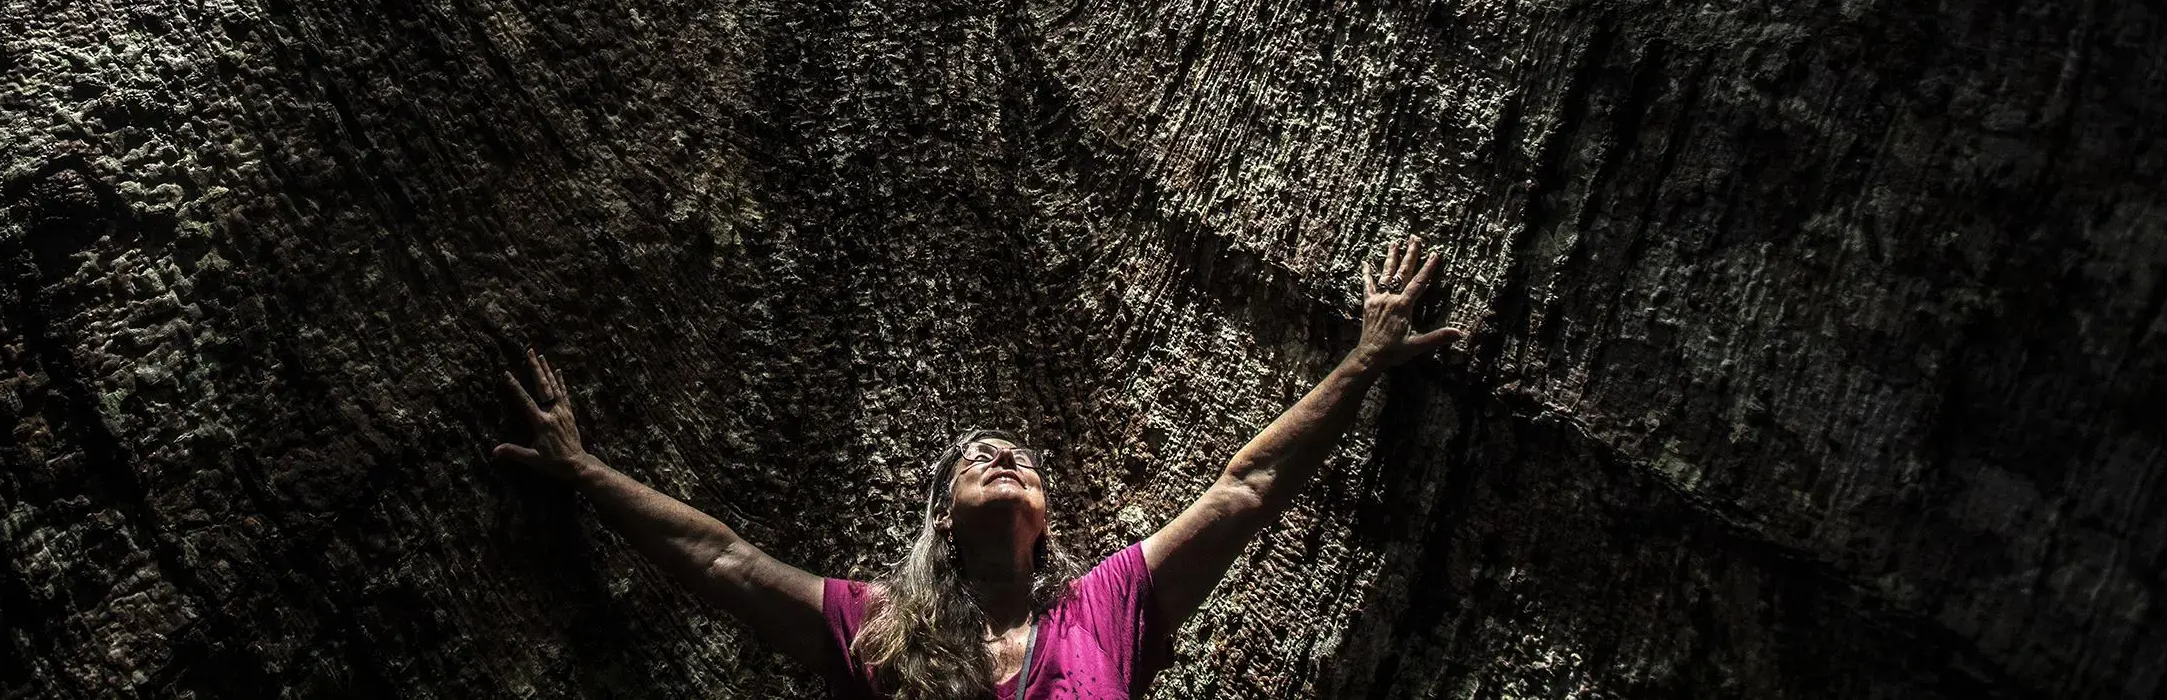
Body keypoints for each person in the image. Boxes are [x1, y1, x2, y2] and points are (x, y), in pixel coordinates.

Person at [494, 235, 1463, 699]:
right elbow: (722, 563)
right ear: (941, 520)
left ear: (1044, 516)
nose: (1002, 457)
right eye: (975, 459)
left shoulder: (1109, 606)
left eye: (1021, 459)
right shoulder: (872, 629)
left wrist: (1363, 359)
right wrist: (582, 472)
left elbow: (1244, 490)